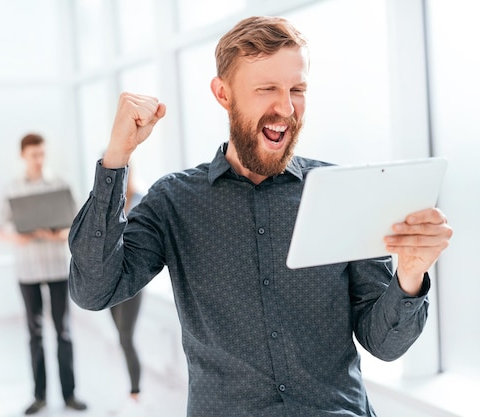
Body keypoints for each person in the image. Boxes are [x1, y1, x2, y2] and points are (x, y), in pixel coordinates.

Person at [67, 16, 453, 417]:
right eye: (267, 89)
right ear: (223, 94)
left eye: (297, 89)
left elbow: (384, 344)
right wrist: (117, 158)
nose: (285, 108)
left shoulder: (342, 192)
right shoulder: (174, 201)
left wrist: (409, 274)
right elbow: (94, 290)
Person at [0, 133, 87, 415]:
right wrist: (20, 236)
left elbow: (77, 226)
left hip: (57, 267)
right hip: (28, 270)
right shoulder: (12, 189)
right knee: (34, 334)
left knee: (63, 331)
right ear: (23, 156)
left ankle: (70, 395)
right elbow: (0, 229)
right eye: (34, 155)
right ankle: (40, 397)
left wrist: (58, 234)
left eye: (42, 154)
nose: (39, 160)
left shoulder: (60, 185)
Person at [107, 163, 145, 416]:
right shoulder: (106, 204)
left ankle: (135, 393)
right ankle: (130, 393)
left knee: (125, 337)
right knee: (121, 338)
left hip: (132, 282)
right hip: (110, 281)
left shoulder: (142, 199)